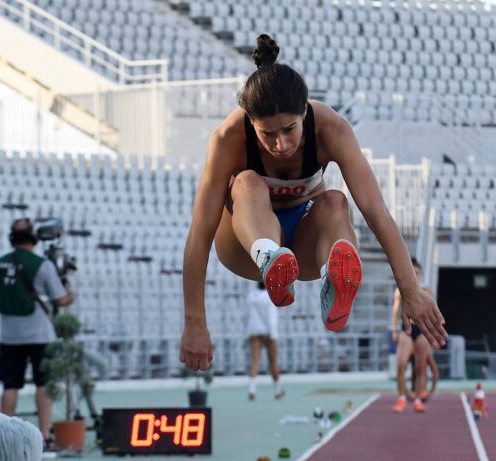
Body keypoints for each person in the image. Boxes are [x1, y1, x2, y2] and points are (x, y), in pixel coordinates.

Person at [179, 34, 446, 371]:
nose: (280, 144)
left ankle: (331, 281)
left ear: (305, 111)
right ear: (250, 123)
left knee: (335, 200)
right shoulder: (228, 138)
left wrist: (410, 288)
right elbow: (200, 233)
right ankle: (270, 258)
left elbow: (376, 211)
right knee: (248, 181)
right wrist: (194, 321)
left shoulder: (331, 128)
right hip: (243, 246)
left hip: (304, 243)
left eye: (289, 129)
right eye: (268, 134)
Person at [0, 218, 75, 442]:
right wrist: (71, 294)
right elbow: (60, 299)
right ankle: (44, 435)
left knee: (10, 386)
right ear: (33, 237)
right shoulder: (42, 264)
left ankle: (5, 437)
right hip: (39, 334)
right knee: (43, 384)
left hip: (8, 335)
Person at [390, 258, 438, 413]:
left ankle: (417, 399)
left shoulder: (427, 291)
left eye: (417, 273)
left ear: (421, 274)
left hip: (422, 331)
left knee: (421, 366)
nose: (415, 275)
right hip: (406, 329)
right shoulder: (401, 290)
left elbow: (434, 314)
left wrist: (435, 333)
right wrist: (394, 330)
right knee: (401, 364)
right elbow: (395, 311)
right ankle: (402, 398)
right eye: (413, 273)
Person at [245, 281, 284, 400]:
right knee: (273, 363)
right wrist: (273, 334)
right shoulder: (270, 298)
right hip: (268, 331)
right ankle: (278, 391)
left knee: (255, 361)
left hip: (254, 330)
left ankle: (252, 390)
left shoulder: (250, 297)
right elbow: (271, 317)